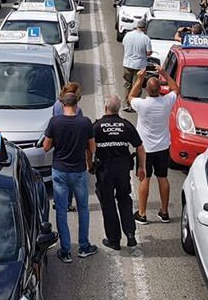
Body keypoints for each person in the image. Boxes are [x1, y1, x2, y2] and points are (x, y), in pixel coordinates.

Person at [43, 91, 98, 263]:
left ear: (62, 105)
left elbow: (45, 147)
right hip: (79, 170)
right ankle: (84, 246)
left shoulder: (55, 122)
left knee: (61, 210)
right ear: (76, 105)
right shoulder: (85, 122)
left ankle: (65, 250)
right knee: (83, 209)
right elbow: (92, 147)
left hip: (59, 170)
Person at [128, 66, 180, 224]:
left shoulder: (142, 105)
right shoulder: (166, 101)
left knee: (145, 178)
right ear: (159, 90)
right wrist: (164, 73)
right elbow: (175, 88)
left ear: (147, 90)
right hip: (162, 147)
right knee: (163, 178)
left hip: (145, 148)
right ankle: (164, 212)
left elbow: (130, 96)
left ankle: (142, 213)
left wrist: (139, 79)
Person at [93, 94, 145, 250]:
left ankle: (114, 240)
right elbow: (140, 147)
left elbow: (89, 147)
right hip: (122, 168)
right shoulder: (126, 125)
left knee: (108, 202)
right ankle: (130, 233)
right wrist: (141, 167)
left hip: (105, 170)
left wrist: (89, 164)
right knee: (124, 198)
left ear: (105, 107)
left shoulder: (96, 126)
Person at [121, 19, 152, 113]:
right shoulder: (146, 38)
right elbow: (149, 52)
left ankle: (126, 103)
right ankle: (134, 104)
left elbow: (124, 44)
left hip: (127, 64)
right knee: (137, 85)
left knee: (127, 84)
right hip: (139, 65)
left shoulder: (128, 35)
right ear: (145, 28)